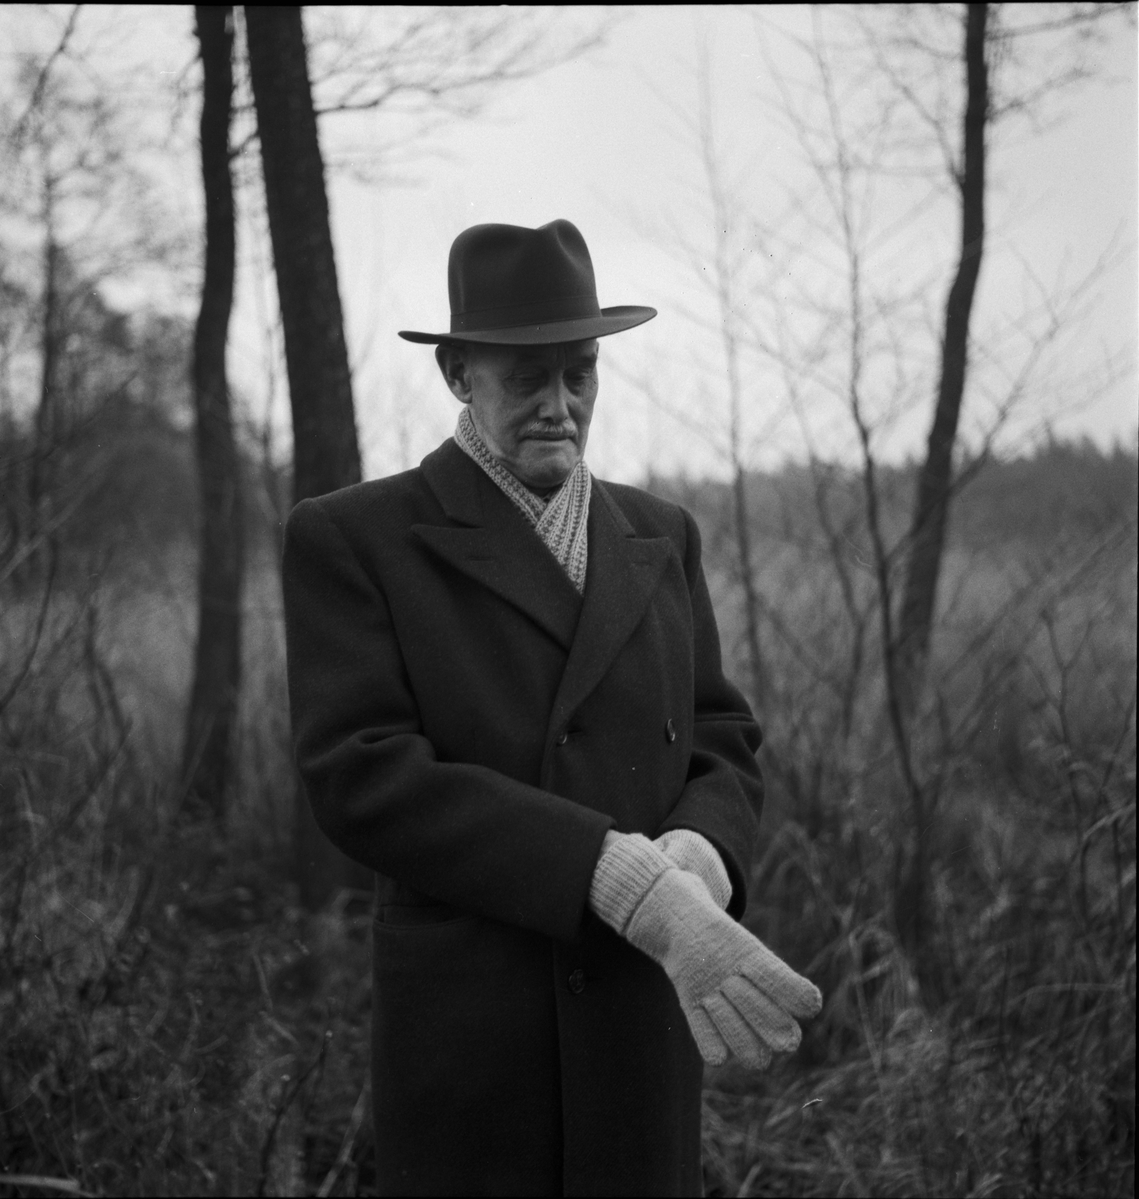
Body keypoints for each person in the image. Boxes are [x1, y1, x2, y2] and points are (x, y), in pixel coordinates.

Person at [282, 219, 822, 1197]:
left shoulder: (661, 533)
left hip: (641, 1030)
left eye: (580, 374)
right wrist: (615, 877)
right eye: (527, 376)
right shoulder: (356, 538)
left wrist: (699, 858)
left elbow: (721, 735)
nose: (560, 405)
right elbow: (362, 774)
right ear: (458, 373)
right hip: (476, 1054)